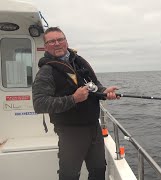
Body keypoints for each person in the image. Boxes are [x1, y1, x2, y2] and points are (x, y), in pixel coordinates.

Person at [32, 27, 118, 180]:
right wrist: (73, 99)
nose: (57, 43)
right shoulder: (46, 71)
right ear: (46, 47)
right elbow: (39, 104)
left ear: (66, 41)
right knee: (70, 174)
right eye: (51, 41)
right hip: (70, 131)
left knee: (99, 169)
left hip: (94, 127)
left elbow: (94, 84)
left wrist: (104, 92)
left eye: (60, 39)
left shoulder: (79, 61)